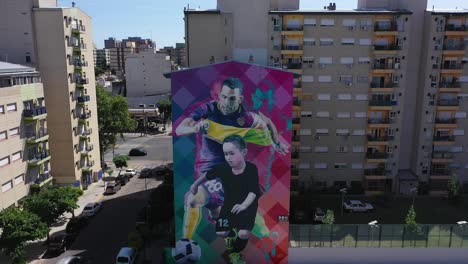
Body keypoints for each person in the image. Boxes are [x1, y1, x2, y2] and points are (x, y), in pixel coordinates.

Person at [175, 77, 288, 241]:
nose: (227, 102)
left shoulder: (246, 116)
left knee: (198, 202)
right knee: (201, 203)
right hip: (207, 170)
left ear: (240, 99)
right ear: (219, 96)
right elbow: (180, 129)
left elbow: (267, 122)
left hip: (227, 173)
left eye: (232, 98)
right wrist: (195, 127)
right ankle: (187, 242)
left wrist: (276, 142)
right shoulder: (208, 109)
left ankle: (187, 241)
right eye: (224, 97)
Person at [190, 135, 258, 264]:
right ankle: (231, 235)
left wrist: (243, 205)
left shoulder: (251, 169)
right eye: (225, 154)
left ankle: (235, 253)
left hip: (248, 206)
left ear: (244, 153)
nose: (228, 157)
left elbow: (253, 192)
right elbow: (207, 175)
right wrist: (195, 185)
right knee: (221, 232)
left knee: (243, 234)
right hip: (229, 205)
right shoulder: (223, 168)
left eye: (231, 153)